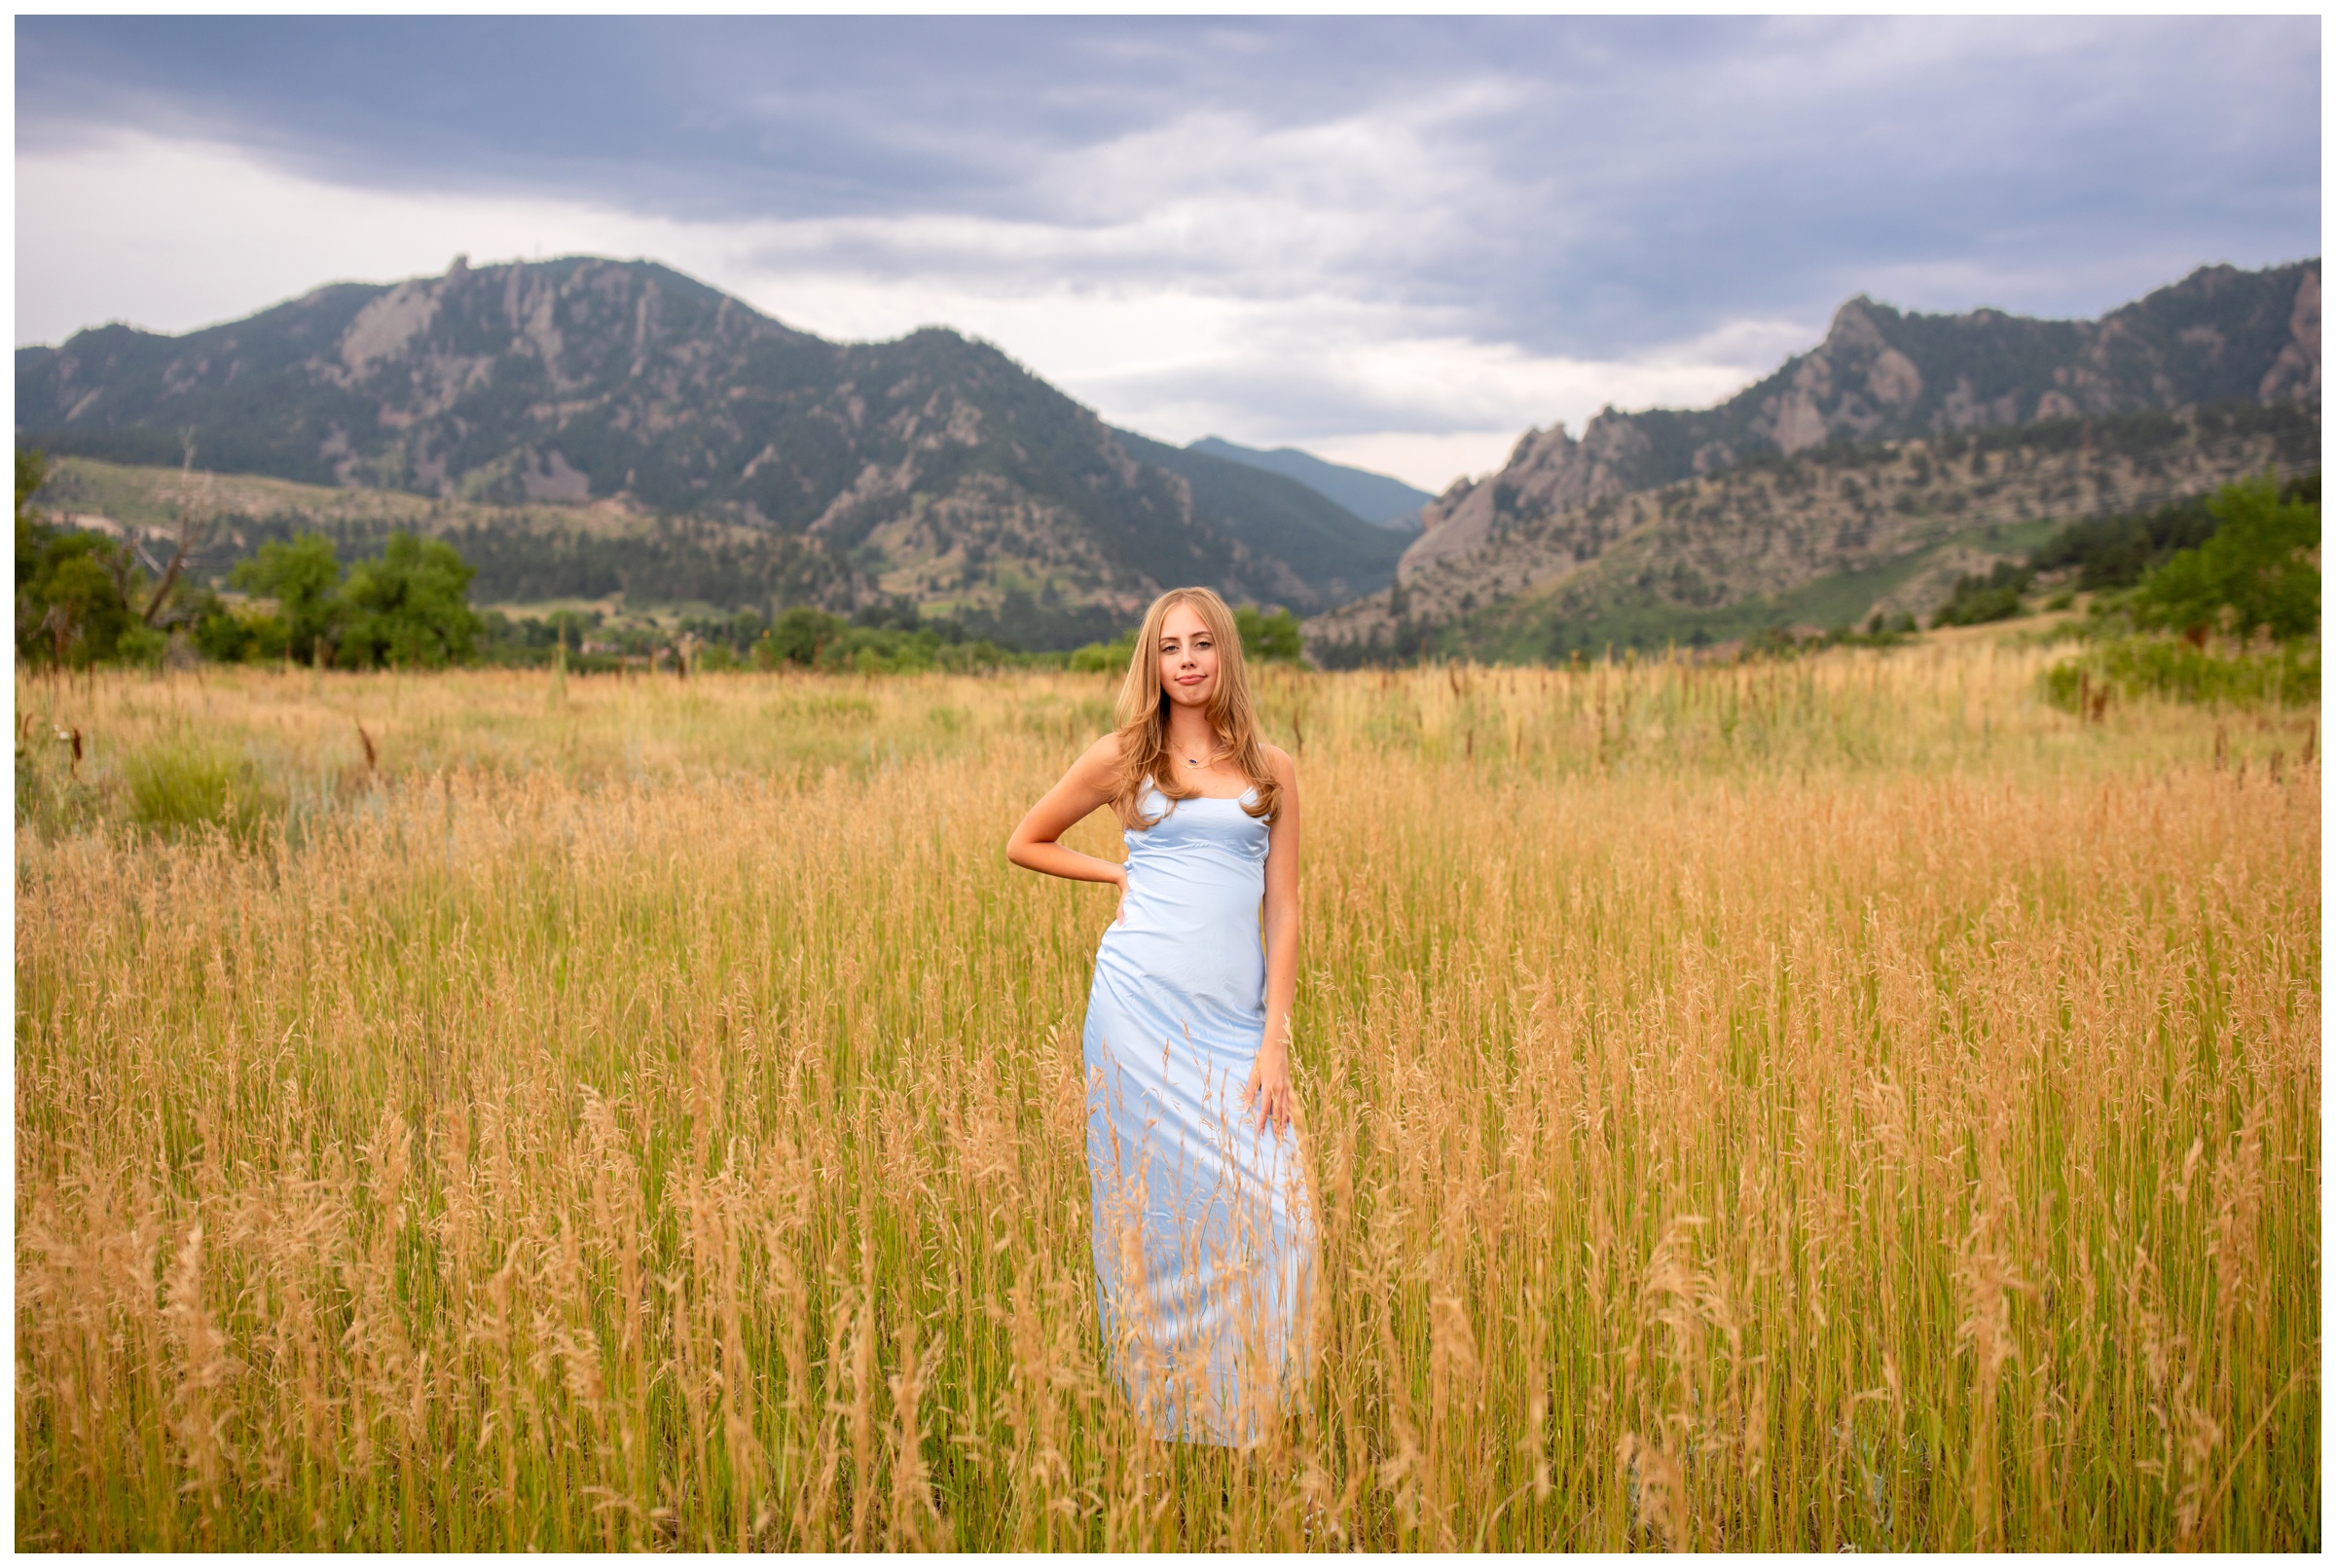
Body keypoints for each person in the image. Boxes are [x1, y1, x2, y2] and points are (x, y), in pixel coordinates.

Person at [1006, 586, 1316, 1444]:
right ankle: (1168, 1416)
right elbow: (1025, 839)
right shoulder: (1121, 758)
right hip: (1137, 1014)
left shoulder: (1271, 767)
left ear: (1225, 657)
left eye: (1203, 644)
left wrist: (1274, 1042)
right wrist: (1114, 876)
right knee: (1157, 1216)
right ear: (1154, 660)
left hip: (1234, 1026)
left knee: (1282, 1219)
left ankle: (1256, 1412)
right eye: (1171, 646)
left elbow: (1283, 909)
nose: (1187, 659)